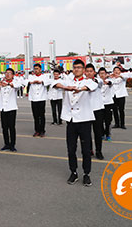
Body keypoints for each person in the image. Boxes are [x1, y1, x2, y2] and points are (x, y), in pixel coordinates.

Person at [53, 59, 97, 187]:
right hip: (71, 120)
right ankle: (73, 172)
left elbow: (91, 87)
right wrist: (67, 87)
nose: (77, 69)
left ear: (83, 70)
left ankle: (86, 174)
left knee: (85, 149)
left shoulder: (88, 81)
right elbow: (55, 83)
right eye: (75, 67)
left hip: (84, 119)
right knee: (71, 148)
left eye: (79, 67)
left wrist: (80, 89)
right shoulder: (68, 80)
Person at [0, 68, 22, 152]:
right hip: (3, 108)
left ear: (13, 75)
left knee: (11, 127)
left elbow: (17, 86)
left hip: (11, 108)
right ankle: (6, 144)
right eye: (6, 73)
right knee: (4, 127)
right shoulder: (2, 83)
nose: (7, 74)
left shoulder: (15, 82)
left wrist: (8, 84)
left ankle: (12, 145)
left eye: (9, 73)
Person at [25, 64, 50, 137]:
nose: (36, 70)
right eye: (35, 69)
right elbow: (25, 82)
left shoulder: (44, 76)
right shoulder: (31, 77)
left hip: (41, 98)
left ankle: (42, 130)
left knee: (41, 115)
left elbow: (48, 82)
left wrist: (41, 82)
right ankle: (37, 130)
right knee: (35, 115)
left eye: (37, 69)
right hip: (34, 99)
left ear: (40, 69)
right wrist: (31, 82)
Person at [86, 64, 105, 160]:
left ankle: (99, 151)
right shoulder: (83, 82)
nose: (89, 73)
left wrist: (94, 80)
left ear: (94, 72)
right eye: (87, 71)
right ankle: (89, 150)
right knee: (87, 133)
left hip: (97, 109)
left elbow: (100, 83)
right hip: (86, 110)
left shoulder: (98, 80)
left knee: (98, 132)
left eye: (91, 71)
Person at [98, 68, 114, 141]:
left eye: (103, 73)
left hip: (108, 103)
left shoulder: (110, 81)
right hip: (99, 104)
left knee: (108, 121)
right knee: (100, 121)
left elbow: (110, 83)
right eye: (101, 73)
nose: (102, 75)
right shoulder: (97, 82)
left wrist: (106, 82)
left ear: (106, 74)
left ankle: (107, 134)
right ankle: (101, 134)